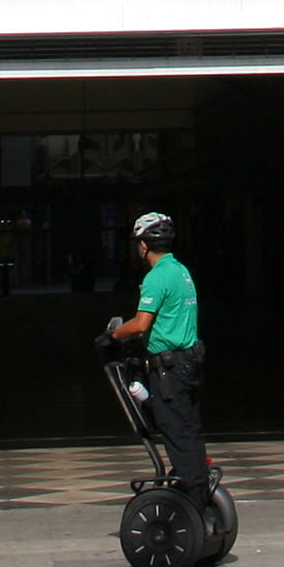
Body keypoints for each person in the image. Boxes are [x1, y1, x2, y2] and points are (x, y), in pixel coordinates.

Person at [106, 210, 205, 497]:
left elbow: (140, 325)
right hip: (190, 363)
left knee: (174, 431)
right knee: (189, 430)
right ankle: (199, 486)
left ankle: (193, 500)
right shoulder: (182, 271)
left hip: (169, 369)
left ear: (144, 245)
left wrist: (112, 335)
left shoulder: (156, 277)